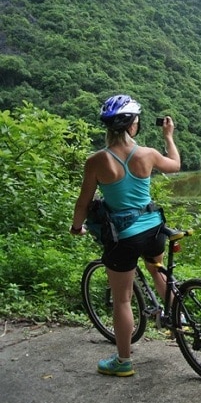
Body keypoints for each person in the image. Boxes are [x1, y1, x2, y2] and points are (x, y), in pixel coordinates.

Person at [70, 94, 181, 377]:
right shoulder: (147, 154)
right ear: (133, 124)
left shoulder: (96, 161)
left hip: (124, 236)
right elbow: (175, 165)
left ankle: (123, 362)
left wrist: (76, 227)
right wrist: (169, 136)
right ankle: (175, 319)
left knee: (122, 300)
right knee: (157, 269)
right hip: (153, 227)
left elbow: (83, 202)